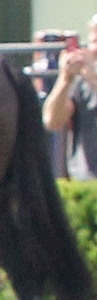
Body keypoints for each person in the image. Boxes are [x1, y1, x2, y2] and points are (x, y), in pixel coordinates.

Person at [40, 15, 97, 180]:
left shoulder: (89, 77)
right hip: (86, 185)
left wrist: (91, 77)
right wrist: (65, 79)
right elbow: (52, 121)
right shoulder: (81, 83)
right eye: (94, 41)